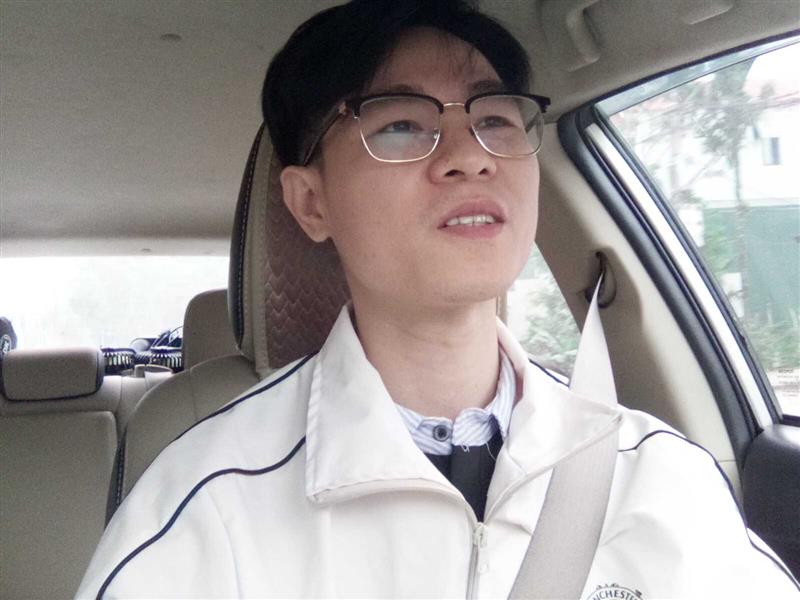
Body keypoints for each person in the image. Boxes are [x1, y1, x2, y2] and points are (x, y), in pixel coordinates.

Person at [77, 1, 799, 598]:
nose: (470, 154)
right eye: (400, 124)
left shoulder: (659, 477)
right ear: (311, 203)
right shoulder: (206, 508)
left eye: (495, 118)